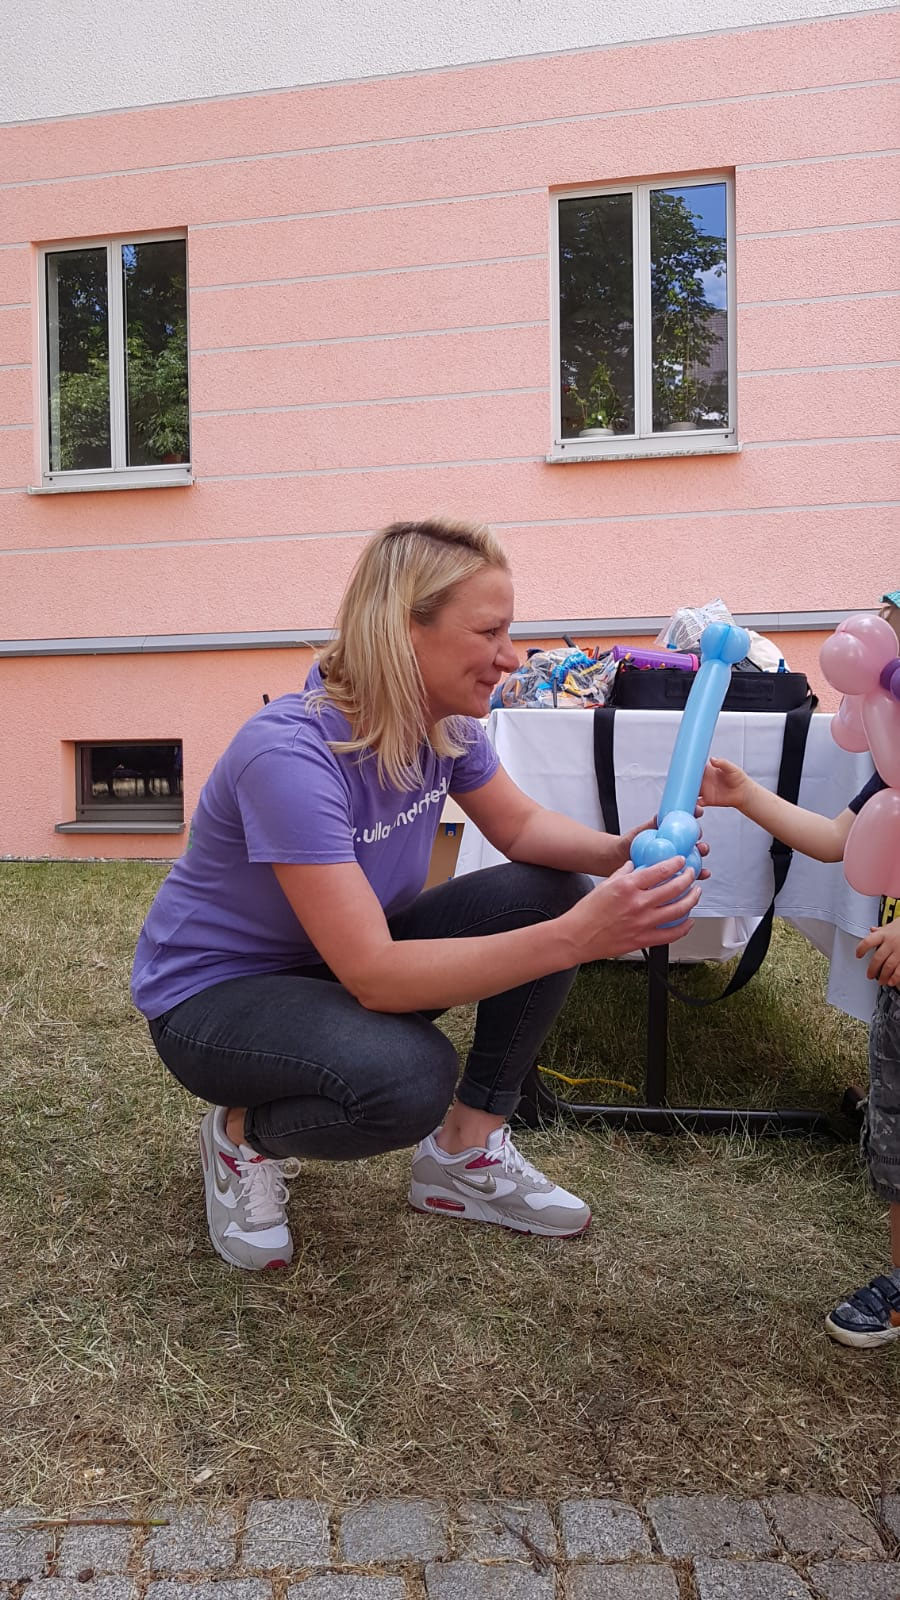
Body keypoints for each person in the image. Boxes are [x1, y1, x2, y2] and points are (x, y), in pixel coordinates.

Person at [132, 517, 703, 1271]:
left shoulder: (445, 728)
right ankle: (240, 1136)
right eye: (489, 631)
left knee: (555, 890)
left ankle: (464, 1152)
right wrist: (582, 938)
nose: (510, 656)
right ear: (404, 633)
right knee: (407, 1079)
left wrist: (615, 852)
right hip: (215, 1001)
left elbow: (523, 828)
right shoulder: (289, 753)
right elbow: (373, 976)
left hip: (336, 964)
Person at [700, 594, 900, 1348]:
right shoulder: (891, 775)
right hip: (898, 998)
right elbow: (831, 840)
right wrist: (744, 795)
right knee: (897, 1146)